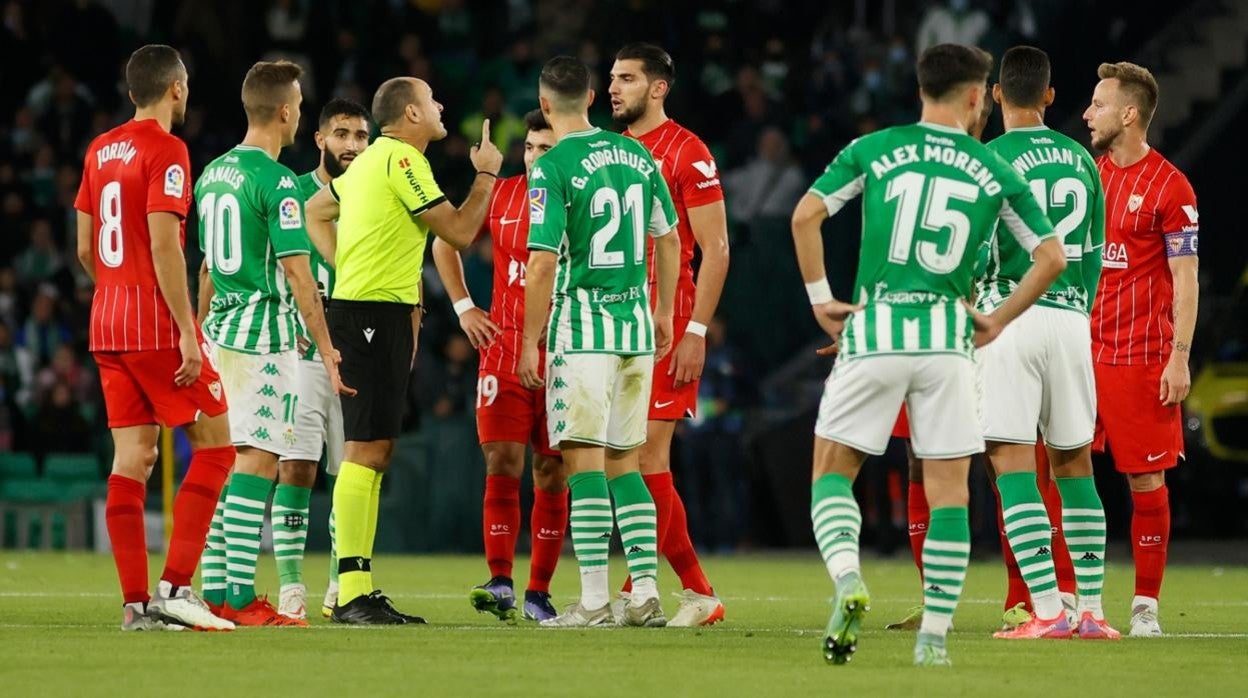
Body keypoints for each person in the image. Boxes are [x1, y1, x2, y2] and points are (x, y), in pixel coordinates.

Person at [790, 44, 1064, 667]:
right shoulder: (993, 167)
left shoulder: (874, 148)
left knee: (832, 471)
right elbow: (1051, 257)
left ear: (921, 89)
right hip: (948, 340)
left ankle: (848, 579)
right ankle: (934, 638)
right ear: (974, 96)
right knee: (949, 494)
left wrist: (821, 300)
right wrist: (997, 319)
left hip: (876, 328)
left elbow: (805, 217)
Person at [303, 76, 503, 624]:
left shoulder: (368, 162)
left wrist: (348, 265)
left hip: (375, 311)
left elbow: (315, 211)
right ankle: (350, 593)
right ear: (412, 114)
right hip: (370, 314)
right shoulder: (401, 160)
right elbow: (459, 232)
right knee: (364, 451)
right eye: (431, 100)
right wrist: (486, 173)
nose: (440, 106)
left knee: (376, 450)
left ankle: (355, 587)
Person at [74, 44, 235, 632]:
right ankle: (176, 588)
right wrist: (188, 331)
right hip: (154, 323)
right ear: (176, 88)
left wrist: (117, 293)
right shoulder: (168, 149)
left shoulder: (99, 149)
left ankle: (136, 606)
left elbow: (85, 248)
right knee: (217, 445)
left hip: (107, 321)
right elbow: (165, 244)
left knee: (133, 458)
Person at [518, 55, 680, 628]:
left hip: (584, 332)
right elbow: (669, 237)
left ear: (545, 105)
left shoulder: (552, 165)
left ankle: (592, 601)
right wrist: (664, 312)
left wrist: (530, 340)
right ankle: (646, 594)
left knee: (582, 461)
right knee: (625, 463)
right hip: (635, 330)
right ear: (590, 97)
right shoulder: (637, 155)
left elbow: (542, 263)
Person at [194, 60, 349, 627]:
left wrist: (199, 332)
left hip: (220, 335)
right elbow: (300, 277)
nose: (301, 113)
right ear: (286, 111)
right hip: (263, 337)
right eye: (300, 105)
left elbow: (207, 268)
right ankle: (239, 596)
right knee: (258, 462)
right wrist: (326, 346)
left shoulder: (212, 173)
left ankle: (215, 589)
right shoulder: (278, 181)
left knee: (227, 463)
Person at [976, 46, 1115, 640]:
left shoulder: (988, 159)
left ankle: (1048, 610)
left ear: (997, 95)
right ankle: (1093, 612)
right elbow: (1094, 253)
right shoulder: (1082, 159)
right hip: (1071, 321)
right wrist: (1077, 309)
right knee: (1074, 463)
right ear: (1050, 96)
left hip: (1010, 315)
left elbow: (975, 253)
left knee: (1011, 460)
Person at [608, 42, 730, 627]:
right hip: (613, 320)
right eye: (613, 78)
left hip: (667, 322)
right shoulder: (611, 151)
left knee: (645, 454)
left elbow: (717, 248)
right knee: (623, 454)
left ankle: (686, 589)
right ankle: (654, 585)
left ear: (658, 88)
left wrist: (696, 331)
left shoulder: (687, 151)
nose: (614, 88)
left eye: (627, 79)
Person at [431, 108, 568, 623]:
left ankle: (540, 592)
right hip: (504, 349)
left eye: (546, 149)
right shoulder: (504, 194)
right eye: (529, 148)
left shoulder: (580, 199)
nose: (535, 158)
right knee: (502, 461)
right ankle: (501, 581)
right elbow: (445, 240)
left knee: (551, 469)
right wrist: (464, 307)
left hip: (565, 351)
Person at [1083, 61, 1199, 637]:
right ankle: (1071, 600)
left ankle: (1145, 606)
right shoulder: (1087, 177)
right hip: (1080, 354)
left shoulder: (1172, 187)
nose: (1087, 114)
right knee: (1062, 471)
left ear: (1129, 114)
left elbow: (1186, 277)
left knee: (1145, 482)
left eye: (1099, 104)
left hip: (1141, 358)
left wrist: (1179, 355)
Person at [279, 98, 371, 621]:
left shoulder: (378, 195)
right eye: (342, 134)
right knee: (296, 466)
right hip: (304, 353)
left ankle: (341, 583)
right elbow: (271, 265)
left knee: (350, 471)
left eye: (360, 136)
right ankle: (291, 586)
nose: (352, 145)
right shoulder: (290, 192)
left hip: (360, 352)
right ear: (319, 140)